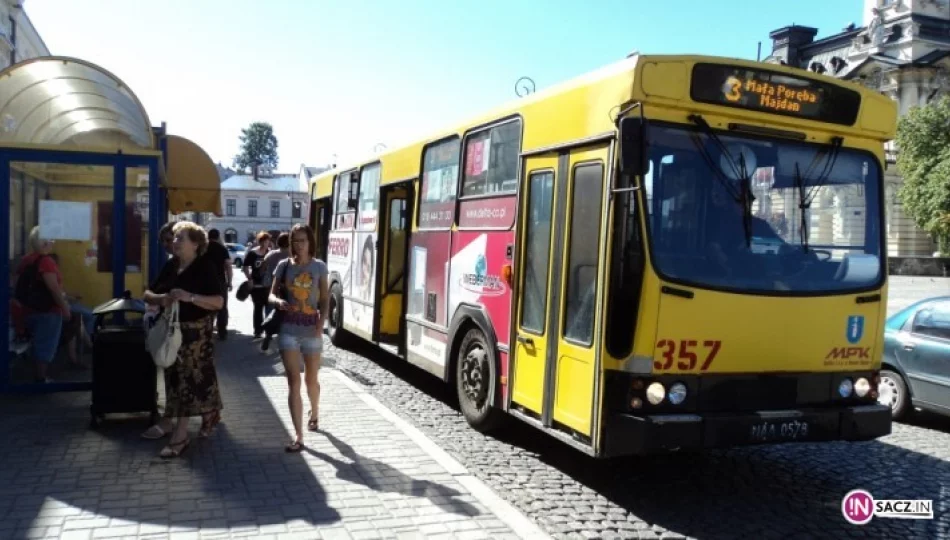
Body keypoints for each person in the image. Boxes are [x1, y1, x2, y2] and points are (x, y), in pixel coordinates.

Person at [141, 221, 225, 458]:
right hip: (172, 331)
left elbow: (218, 302)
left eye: (180, 238)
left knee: (188, 381)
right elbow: (147, 293)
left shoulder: (205, 266)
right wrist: (162, 299)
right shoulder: (171, 266)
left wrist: (189, 297)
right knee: (178, 379)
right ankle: (209, 413)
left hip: (197, 335)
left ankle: (180, 434)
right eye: (174, 238)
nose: (174, 243)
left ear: (195, 244)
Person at [269, 224, 329, 452]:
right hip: (288, 330)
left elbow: (324, 299)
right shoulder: (284, 266)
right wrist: (277, 301)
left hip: (311, 331)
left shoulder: (319, 267)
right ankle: (299, 435)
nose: (299, 245)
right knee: (293, 382)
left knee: (311, 380)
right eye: (296, 241)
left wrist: (321, 323)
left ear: (310, 242)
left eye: (303, 240)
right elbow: (271, 294)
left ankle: (315, 410)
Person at [13, 226, 72, 383]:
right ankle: (41, 378)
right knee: (46, 343)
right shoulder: (46, 262)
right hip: (48, 311)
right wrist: (65, 309)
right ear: (44, 242)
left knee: (38, 342)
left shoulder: (26, 260)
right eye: (51, 239)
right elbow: (53, 288)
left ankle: (36, 374)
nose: (53, 243)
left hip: (27, 310)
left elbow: (16, 284)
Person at [260, 232, 291, 352]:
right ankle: (281, 337)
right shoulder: (290, 255)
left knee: (270, 311)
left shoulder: (272, 253)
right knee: (282, 312)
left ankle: (268, 334)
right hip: (284, 287)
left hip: (269, 285)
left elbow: (262, 268)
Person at [204, 228, 233, 340]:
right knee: (222, 307)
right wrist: (229, 281)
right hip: (220, 281)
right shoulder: (222, 249)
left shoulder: (203, 248)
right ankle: (222, 331)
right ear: (218, 236)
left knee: (206, 305)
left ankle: (207, 329)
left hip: (205, 281)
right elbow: (228, 266)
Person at [243, 231, 272, 338]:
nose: (267, 243)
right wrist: (249, 278)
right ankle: (258, 330)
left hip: (268, 286)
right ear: (260, 241)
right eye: (265, 241)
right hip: (256, 285)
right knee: (258, 308)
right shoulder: (252, 253)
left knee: (269, 308)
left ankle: (269, 329)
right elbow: (245, 267)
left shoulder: (270, 253)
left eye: (268, 240)